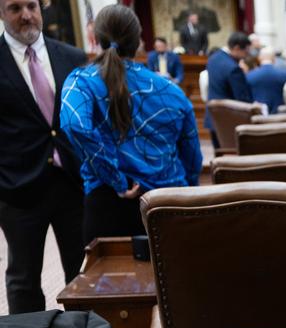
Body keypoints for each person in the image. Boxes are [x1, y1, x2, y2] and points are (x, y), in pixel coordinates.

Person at [59, 4, 200, 243]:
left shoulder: (81, 82)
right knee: (175, 279)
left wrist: (116, 179)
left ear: (95, 38)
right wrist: (186, 190)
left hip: (108, 203)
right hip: (167, 201)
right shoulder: (171, 91)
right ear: (139, 40)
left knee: (108, 281)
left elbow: (74, 125)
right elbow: (192, 156)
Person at [0, 0, 86, 314]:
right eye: (14, 7)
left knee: (82, 274)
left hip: (71, 184)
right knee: (24, 280)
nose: (26, 15)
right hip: (18, 190)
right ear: (1, 12)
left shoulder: (73, 57)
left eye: (31, 6)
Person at [204, 30, 252, 149]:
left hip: (213, 118)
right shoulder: (234, 69)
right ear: (236, 48)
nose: (247, 55)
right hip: (230, 122)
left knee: (219, 156)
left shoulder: (213, 58)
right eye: (246, 51)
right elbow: (243, 99)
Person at [247, 47, 286, 113]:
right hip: (280, 116)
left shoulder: (249, 75)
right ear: (274, 59)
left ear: (259, 58)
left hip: (258, 116)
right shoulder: (284, 74)